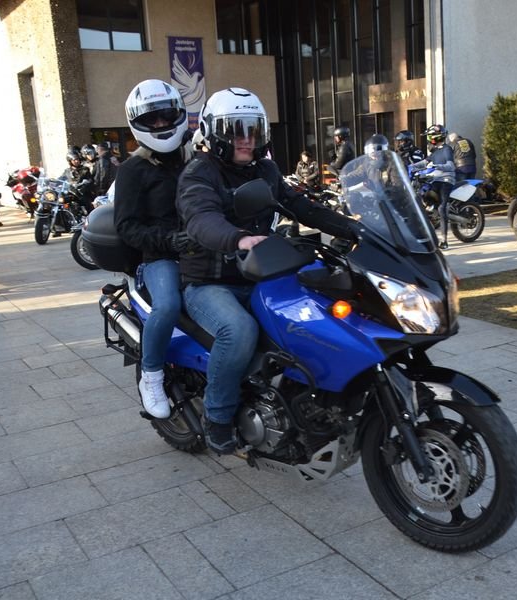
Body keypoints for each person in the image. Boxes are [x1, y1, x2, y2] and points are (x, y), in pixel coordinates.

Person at [176, 87, 358, 454]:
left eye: (253, 130)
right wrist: (239, 239)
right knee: (238, 330)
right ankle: (218, 416)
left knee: (318, 315)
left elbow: (302, 207)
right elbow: (201, 219)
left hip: (262, 273)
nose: (246, 139)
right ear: (213, 132)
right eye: (236, 131)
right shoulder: (199, 173)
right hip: (210, 281)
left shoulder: (266, 170)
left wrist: (358, 228)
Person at [114, 79, 193, 419]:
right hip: (159, 258)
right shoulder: (133, 169)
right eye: (151, 119)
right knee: (169, 305)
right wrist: (168, 241)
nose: (161, 123)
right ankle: (152, 376)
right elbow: (126, 226)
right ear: (138, 123)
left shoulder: (195, 158)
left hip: (204, 250)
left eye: (166, 115)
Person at [414, 124, 455, 250]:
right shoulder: (435, 151)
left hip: (446, 180)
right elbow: (424, 162)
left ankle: (444, 240)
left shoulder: (447, 149)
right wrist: (410, 166)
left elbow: (451, 166)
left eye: (430, 136)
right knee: (421, 195)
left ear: (437, 137)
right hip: (435, 179)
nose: (428, 139)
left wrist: (437, 166)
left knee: (442, 207)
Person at [62, 148, 95, 215]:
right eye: (74, 160)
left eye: (77, 159)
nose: (77, 161)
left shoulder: (84, 169)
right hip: (71, 193)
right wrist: (53, 182)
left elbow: (90, 180)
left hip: (81, 194)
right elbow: (61, 179)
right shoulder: (67, 171)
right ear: (70, 161)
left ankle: (88, 217)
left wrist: (83, 184)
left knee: (87, 205)